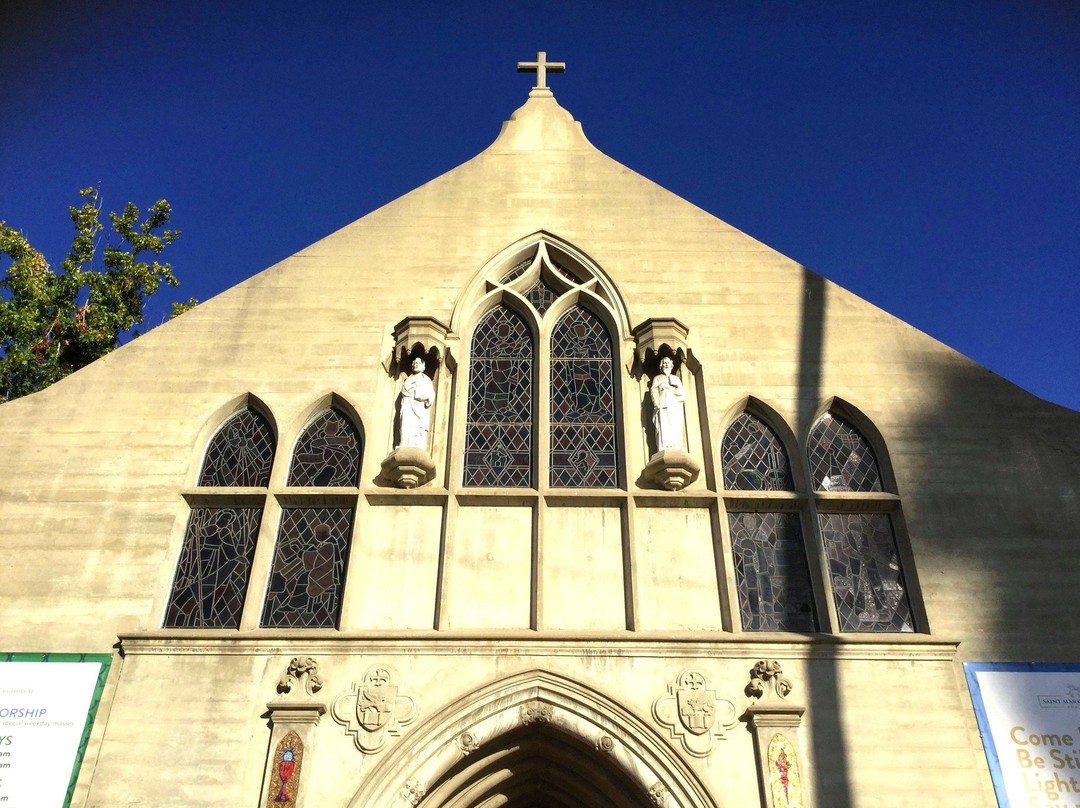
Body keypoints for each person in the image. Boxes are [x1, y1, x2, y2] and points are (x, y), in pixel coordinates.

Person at [398, 357, 435, 450]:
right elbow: (404, 391)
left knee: (418, 426)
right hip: (407, 404)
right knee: (405, 424)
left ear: (423, 366)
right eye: (414, 363)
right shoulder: (408, 380)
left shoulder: (426, 379)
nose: (415, 365)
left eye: (418, 363)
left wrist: (418, 394)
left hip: (419, 407)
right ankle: (404, 443)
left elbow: (430, 394)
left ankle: (417, 443)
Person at [650, 356, 686, 451]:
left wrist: (676, 386)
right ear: (661, 366)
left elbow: (682, 393)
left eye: (668, 363)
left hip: (674, 405)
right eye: (664, 363)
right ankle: (665, 445)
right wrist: (656, 403)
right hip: (663, 404)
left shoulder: (675, 379)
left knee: (675, 425)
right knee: (664, 425)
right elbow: (653, 391)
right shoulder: (657, 378)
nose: (666, 364)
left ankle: (676, 444)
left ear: (671, 365)